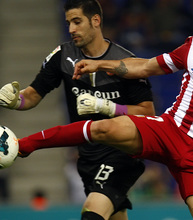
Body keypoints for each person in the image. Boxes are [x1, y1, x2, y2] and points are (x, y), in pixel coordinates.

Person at [8, 0, 193, 219]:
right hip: (169, 130)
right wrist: (101, 64)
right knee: (103, 126)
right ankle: (23, 145)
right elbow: (146, 66)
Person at [0, 0, 154, 220]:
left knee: (92, 213)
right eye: (68, 22)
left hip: (122, 152)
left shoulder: (125, 62)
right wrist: (14, 101)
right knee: (113, 214)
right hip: (87, 157)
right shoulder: (62, 56)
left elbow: (147, 112)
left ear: (96, 21)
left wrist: (107, 107)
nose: (71, 29)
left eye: (77, 21)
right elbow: (32, 96)